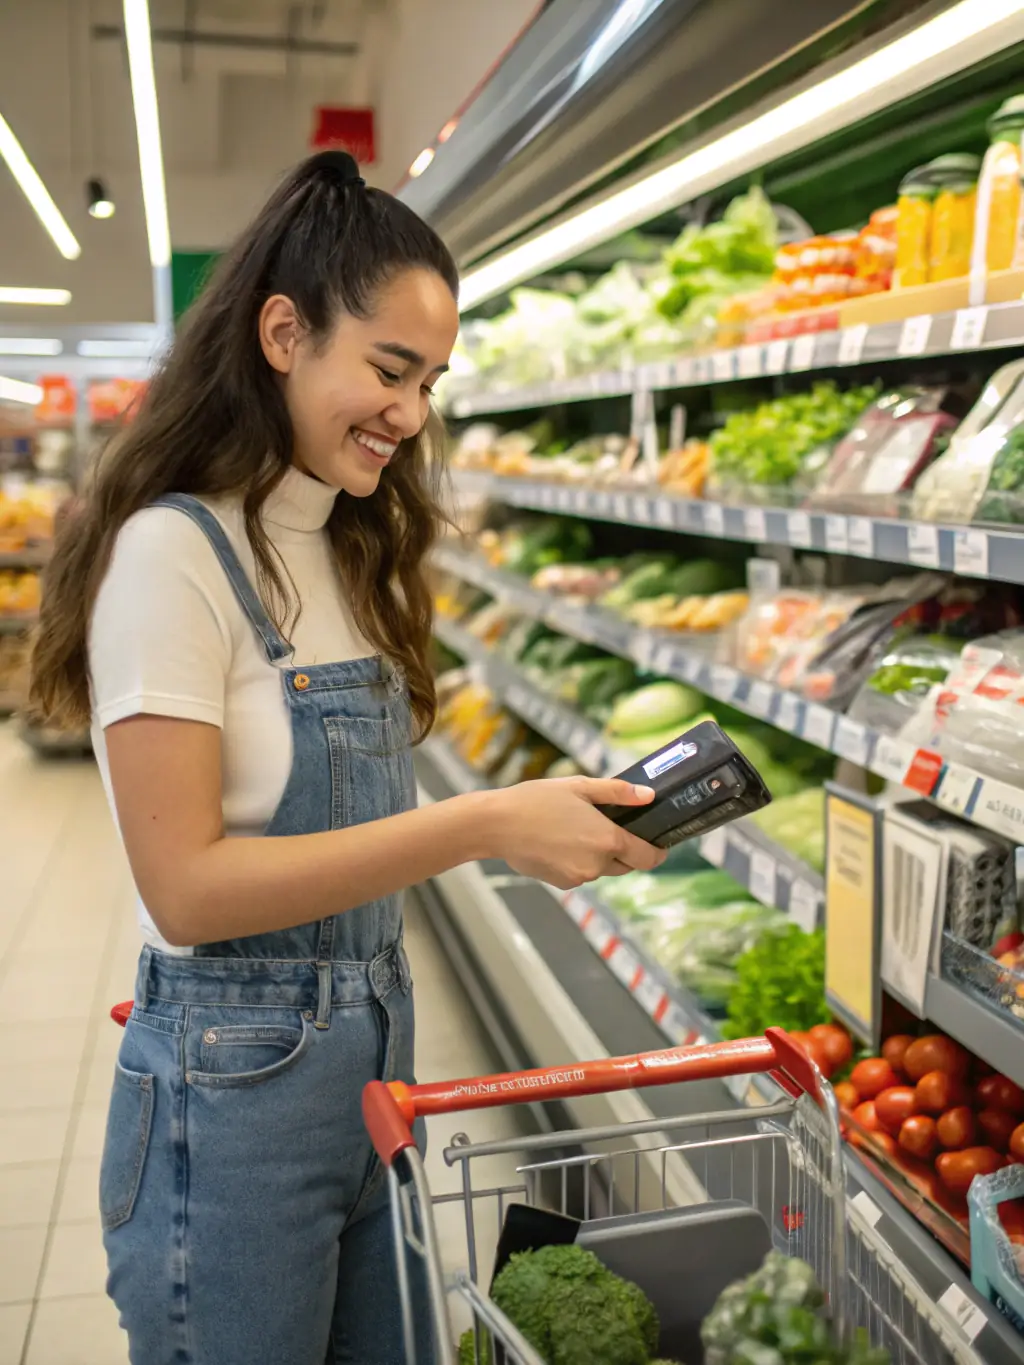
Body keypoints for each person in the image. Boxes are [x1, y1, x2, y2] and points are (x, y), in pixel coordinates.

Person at [28, 150, 664, 1365]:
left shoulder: (344, 544)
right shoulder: (174, 558)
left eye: (431, 379)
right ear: (281, 332)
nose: (411, 413)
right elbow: (188, 890)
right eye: (387, 368)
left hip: (375, 1080)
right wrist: (482, 825)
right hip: (228, 1113)